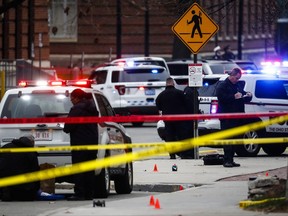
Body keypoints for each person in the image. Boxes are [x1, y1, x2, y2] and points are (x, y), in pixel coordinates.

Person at [63, 88, 99, 200]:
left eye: (72, 98)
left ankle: (79, 193)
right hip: (92, 143)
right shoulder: (92, 108)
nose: (71, 101)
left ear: (77, 98)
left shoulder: (76, 109)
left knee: (79, 169)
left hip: (80, 144)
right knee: (89, 170)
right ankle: (89, 193)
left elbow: (67, 127)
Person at [216, 68, 252, 168]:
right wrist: (233, 97)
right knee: (228, 138)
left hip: (237, 116)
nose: (237, 80)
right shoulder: (223, 85)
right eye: (236, 78)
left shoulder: (238, 85)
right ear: (232, 76)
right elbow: (221, 97)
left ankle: (231, 159)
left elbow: (242, 93)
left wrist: (248, 95)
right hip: (227, 116)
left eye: (239, 78)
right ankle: (226, 160)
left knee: (235, 139)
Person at [0, 135, 40, 201]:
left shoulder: (5, 147)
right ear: (32, 142)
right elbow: (35, 171)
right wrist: (37, 189)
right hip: (24, 191)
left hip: (6, 190)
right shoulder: (30, 151)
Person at [156, 77, 187, 159]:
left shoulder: (161, 95)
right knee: (181, 136)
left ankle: (172, 155)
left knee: (169, 137)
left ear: (166, 84)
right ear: (173, 83)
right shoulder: (180, 93)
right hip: (179, 119)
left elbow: (158, 106)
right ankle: (183, 154)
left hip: (168, 120)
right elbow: (186, 104)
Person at [181, 85, 200, 159]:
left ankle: (189, 153)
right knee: (189, 135)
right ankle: (187, 154)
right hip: (189, 117)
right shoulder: (190, 91)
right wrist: (196, 112)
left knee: (189, 135)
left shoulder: (189, 90)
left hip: (189, 117)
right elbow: (190, 105)